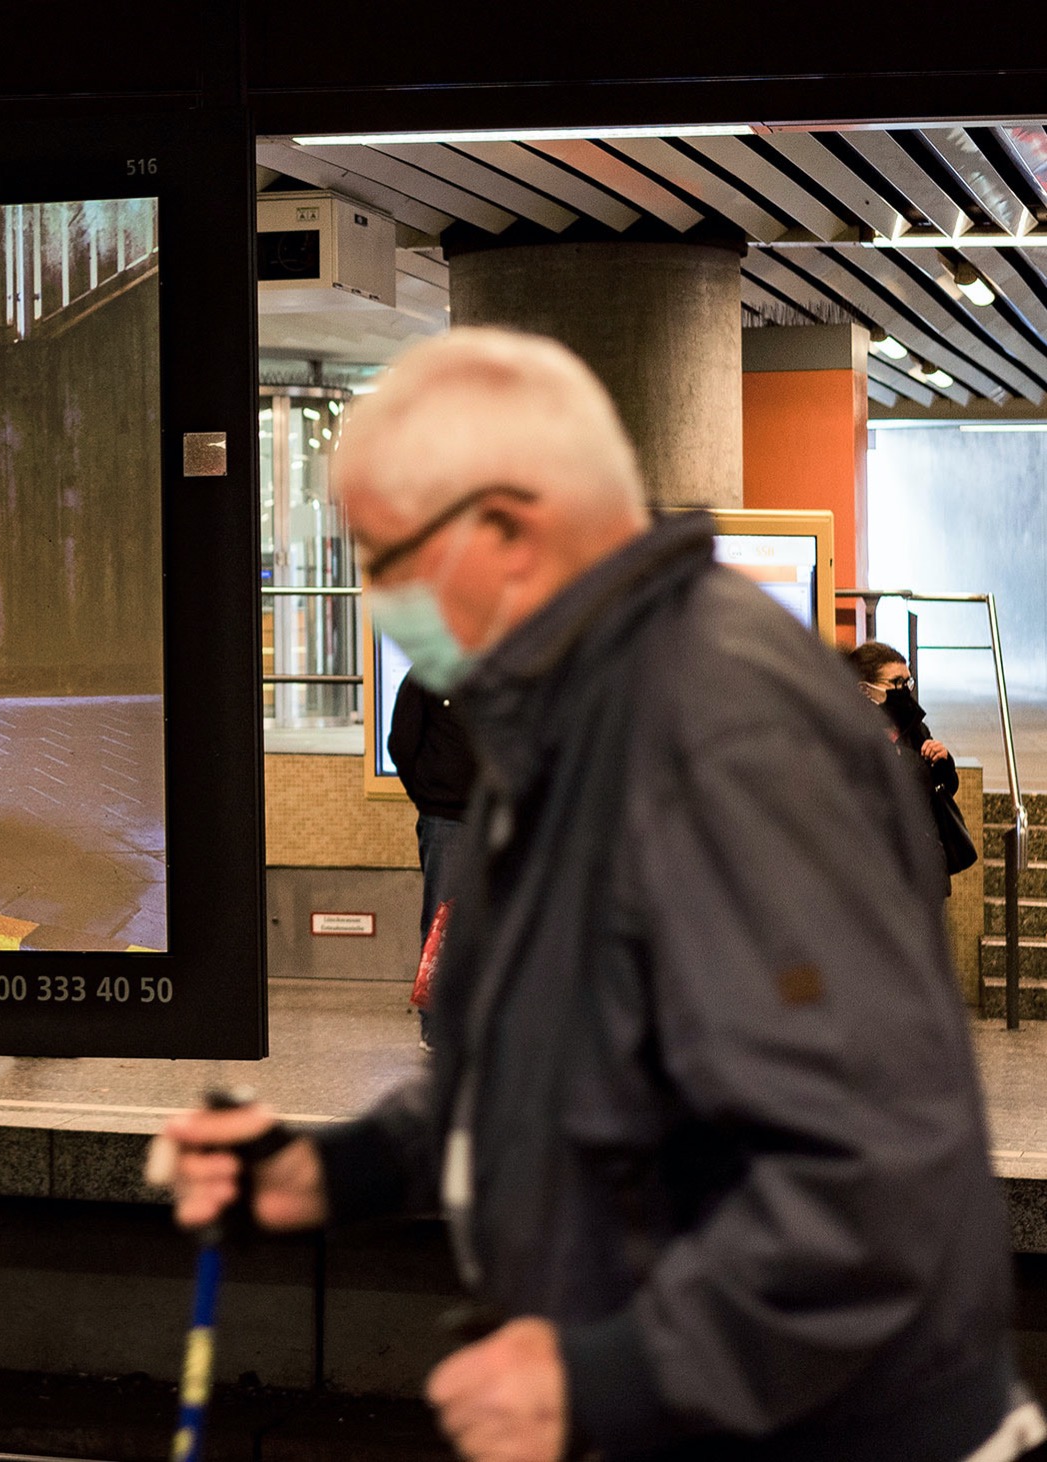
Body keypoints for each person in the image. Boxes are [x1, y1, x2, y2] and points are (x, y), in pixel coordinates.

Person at [148, 328, 1033, 1462]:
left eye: (387, 554)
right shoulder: (567, 733)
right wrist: (324, 1169)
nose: (376, 594)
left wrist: (605, 1377)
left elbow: (866, 1166)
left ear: (508, 530)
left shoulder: (728, 733)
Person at [388, 668, 476, 1047]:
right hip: (447, 820)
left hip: (499, 815)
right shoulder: (427, 674)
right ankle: (435, 1027)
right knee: (442, 922)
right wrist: (430, 795)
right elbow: (402, 744)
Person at [849, 640, 979, 879]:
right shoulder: (847, 735)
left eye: (907, 681)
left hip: (924, 868)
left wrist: (943, 763)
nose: (904, 690)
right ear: (864, 690)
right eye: (896, 682)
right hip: (876, 872)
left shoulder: (914, 727)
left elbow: (942, 789)